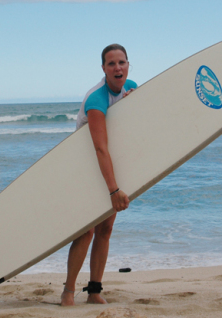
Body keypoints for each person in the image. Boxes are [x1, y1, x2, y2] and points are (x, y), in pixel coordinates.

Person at [61, 44, 137, 306]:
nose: (118, 67)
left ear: (128, 65)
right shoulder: (97, 99)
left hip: (108, 164)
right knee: (86, 231)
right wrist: (114, 190)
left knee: (105, 228)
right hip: (85, 168)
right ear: (103, 69)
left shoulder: (132, 89)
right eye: (112, 63)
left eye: (122, 62)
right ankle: (68, 292)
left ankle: (94, 291)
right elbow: (99, 147)